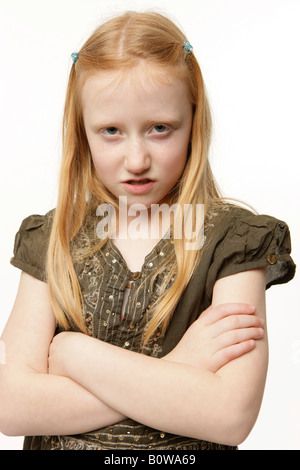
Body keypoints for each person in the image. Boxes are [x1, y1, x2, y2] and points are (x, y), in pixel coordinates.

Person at [0, 11, 296, 451]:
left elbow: (228, 416)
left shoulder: (234, 242)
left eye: (160, 129)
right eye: (111, 132)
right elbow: (12, 407)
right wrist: (181, 367)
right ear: (83, 133)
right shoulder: (52, 240)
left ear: (193, 122)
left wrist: (76, 356)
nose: (136, 159)